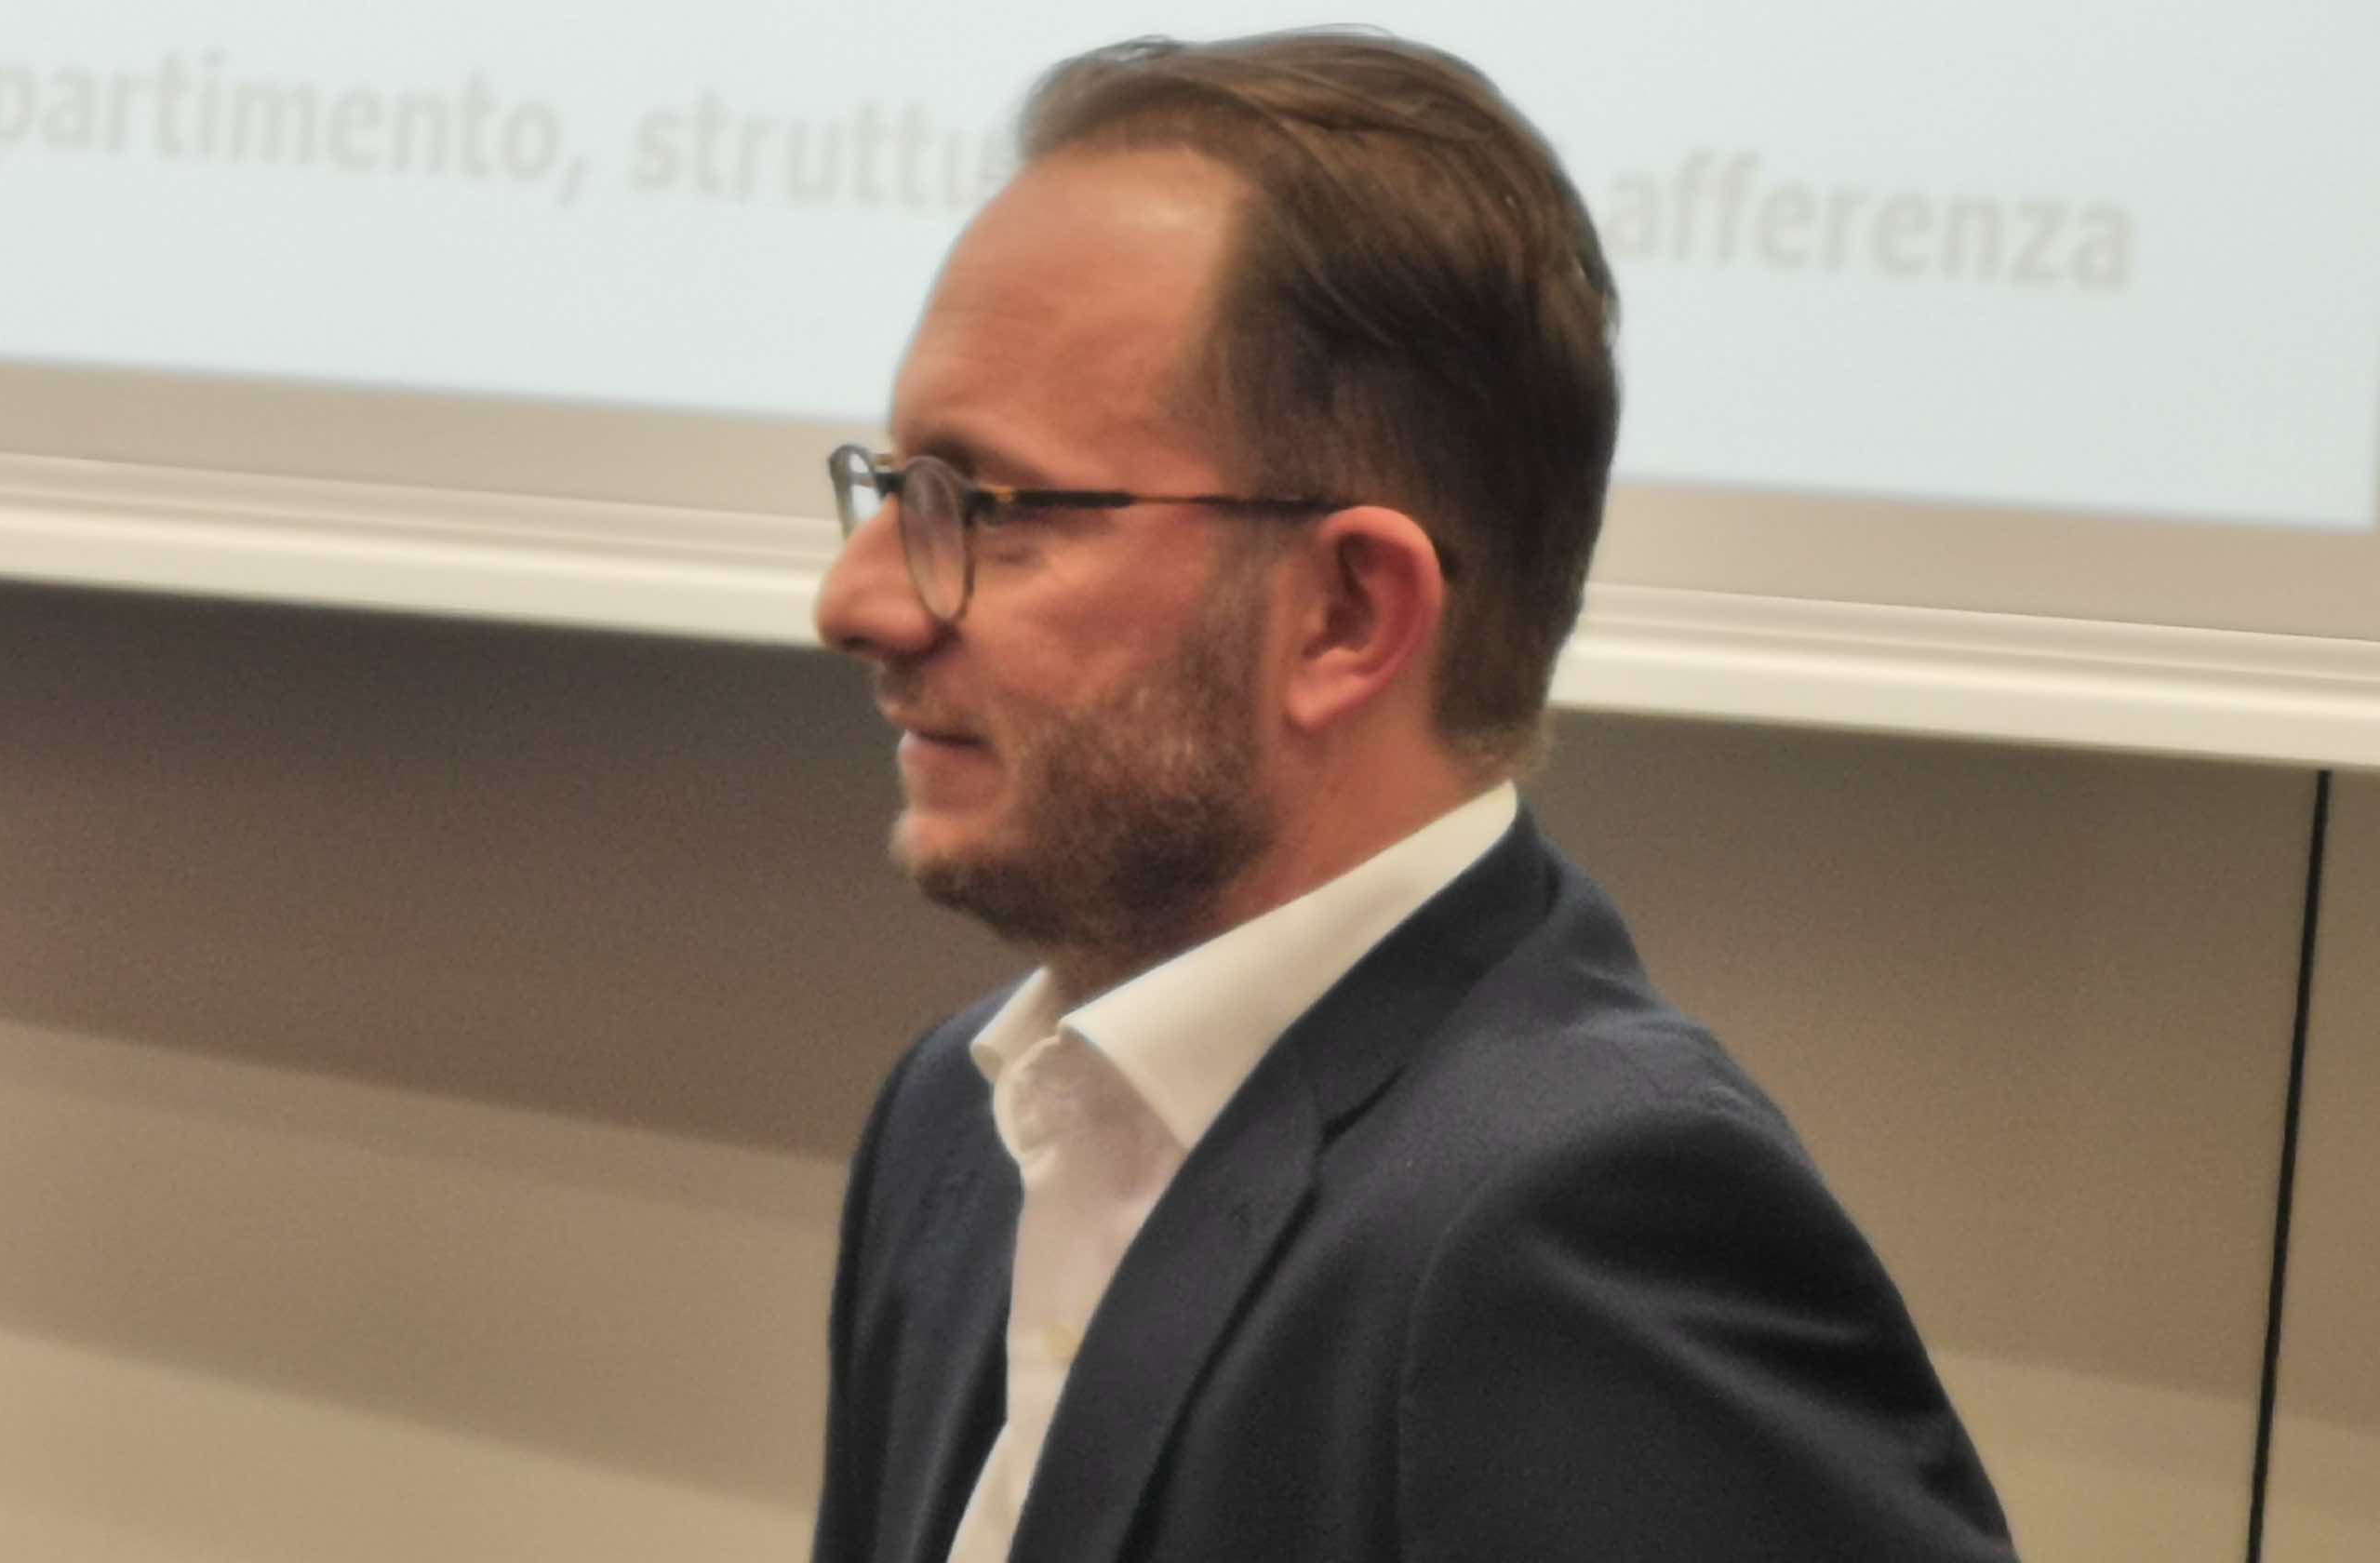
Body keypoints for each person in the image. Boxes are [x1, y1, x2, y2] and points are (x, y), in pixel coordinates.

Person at [806, 29, 2017, 1563]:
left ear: (1347, 616)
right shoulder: (962, 1118)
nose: (857, 602)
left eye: (984, 509)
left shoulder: (1579, 1219)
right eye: (892, 492)